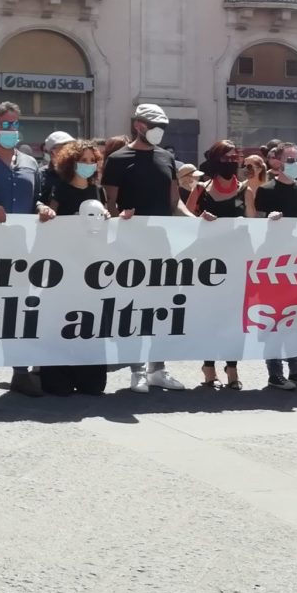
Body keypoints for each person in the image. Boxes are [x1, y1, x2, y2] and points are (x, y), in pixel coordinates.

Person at [0, 102, 58, 399]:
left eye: (16, 124)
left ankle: (19, 373)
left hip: (22, 251)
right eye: (6, 124)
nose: (12, 129)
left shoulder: (30, 164)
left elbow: (36, 200)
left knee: (20, 312)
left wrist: (42, 208)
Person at [101, 103, 189, 393]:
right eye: (155, 126)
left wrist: (199, 221)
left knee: (162, 307)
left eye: (163, 126)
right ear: (139, 125)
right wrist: (118, 222)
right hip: (130, 244)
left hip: (162, 243)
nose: (159, 131)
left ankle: (158, 368)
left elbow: (175, 203)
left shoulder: (166, 158)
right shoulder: (117, 158)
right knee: (135, 307)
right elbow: (110, 203)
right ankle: (137, 369)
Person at [244, 140, 297, 390]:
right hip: (275, 263)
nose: (295, 164)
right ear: (277, 162)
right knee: (275, 318)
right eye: (290, 159)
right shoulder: (267, 190)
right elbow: (257, 226)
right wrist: (268, 221)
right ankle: (274, 371)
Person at [40, 139, 109, 398]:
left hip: (91, 271)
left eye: (93, 161)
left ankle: (89, 376)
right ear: (71, 163)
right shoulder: (59, 190)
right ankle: (58, 376)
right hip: (64, 271)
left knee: (89, 323)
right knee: (62, 322)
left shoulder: (98, 192)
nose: (89, 165)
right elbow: (49, 223)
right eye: (84, 160)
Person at [188, 140, 245, 390]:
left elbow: (257, 220)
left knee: (233, 317)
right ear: (214, 160)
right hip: (207, 264)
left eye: (235, 158)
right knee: (210, 316)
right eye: (226, 158)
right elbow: (184, 221)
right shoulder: (201, 188)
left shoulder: (246, 189)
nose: (231, 162)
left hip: (236, 261)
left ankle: (232, 367)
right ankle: (208, 365)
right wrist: (200, 219)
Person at [41, 130, 74, 206]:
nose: (69, 152)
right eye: (63, 148)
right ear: (52, 152)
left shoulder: (78, 173)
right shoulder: (40, 175)